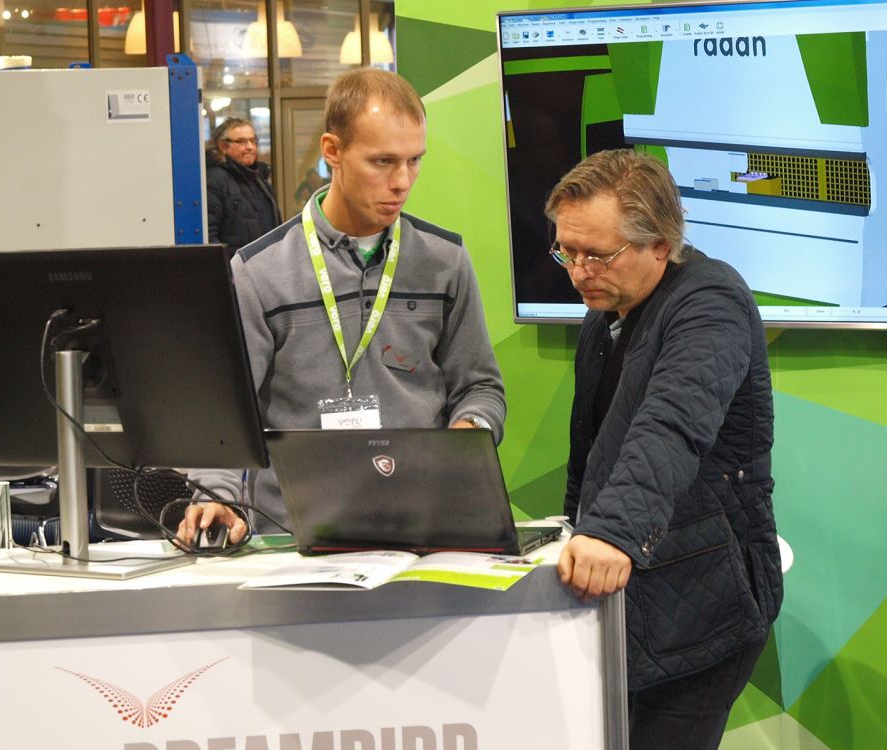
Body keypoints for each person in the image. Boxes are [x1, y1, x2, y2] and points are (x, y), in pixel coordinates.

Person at [180, 69, 505, 543]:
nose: (402, 181)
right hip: (295, 536)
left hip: (422, 527)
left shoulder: (444, 261)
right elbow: (227, 413)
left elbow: (480, 387)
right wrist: (216, 495)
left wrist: (468, 433)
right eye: (382, 161)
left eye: (414, 160)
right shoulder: (258, 271)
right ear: (332, 151)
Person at [548, 149, 783, 750]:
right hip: (638, 600)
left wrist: (612, 531)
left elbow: (673, 424)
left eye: (597, 254)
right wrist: (575, 527)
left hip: (707, 603)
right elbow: (595, 450)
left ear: (660, 243)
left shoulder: (711, 302)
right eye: (567, 252)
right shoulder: (607, 313)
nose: (579, 271)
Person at [205, 117, 282, 249]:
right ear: (223, 146)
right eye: (241, 141)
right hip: (234, 262)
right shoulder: (214, 180)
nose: (250, 147)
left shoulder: (260, 180)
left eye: (253, 140)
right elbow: (210, 235)